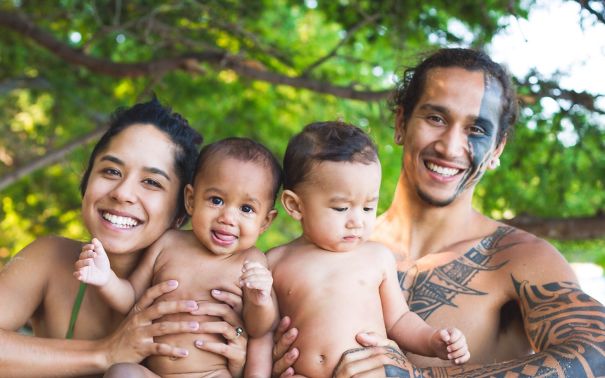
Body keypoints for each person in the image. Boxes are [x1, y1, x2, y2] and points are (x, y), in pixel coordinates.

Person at [272, 48, 605, 377]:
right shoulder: (330, 240)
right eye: (436, 118)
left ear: (496, 149)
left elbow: (598, 356)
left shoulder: (521, 258)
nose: (449, 146)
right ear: (401, 122)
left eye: (476, 130)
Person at [0, 98, 248, 377]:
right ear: (86, 178)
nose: (123, 193)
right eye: (111, 171)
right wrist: (104, 353)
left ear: (183, 209)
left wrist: (242, 366)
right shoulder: (49, 257)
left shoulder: (215, 288)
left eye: (151, 182)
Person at [260, 121, 469, 378]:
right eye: (341, 208)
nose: (357, 221)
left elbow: (399, 319)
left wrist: (432, 340)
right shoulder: (276, 262)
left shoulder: (376, 257)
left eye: (368, 207)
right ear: (295, 205)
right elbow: (261, 330)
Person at [75, 137, 281, 377]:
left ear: (265, 221)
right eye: (216, 200)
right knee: (123, 372)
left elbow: (260, 328)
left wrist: (259, 300)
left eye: (246, 209)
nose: (227, 217)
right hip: (154, 373)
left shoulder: (251, 261)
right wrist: (106, 279)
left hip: (211, 374)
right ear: (191, 200)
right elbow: (132, 297)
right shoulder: (168, 243)